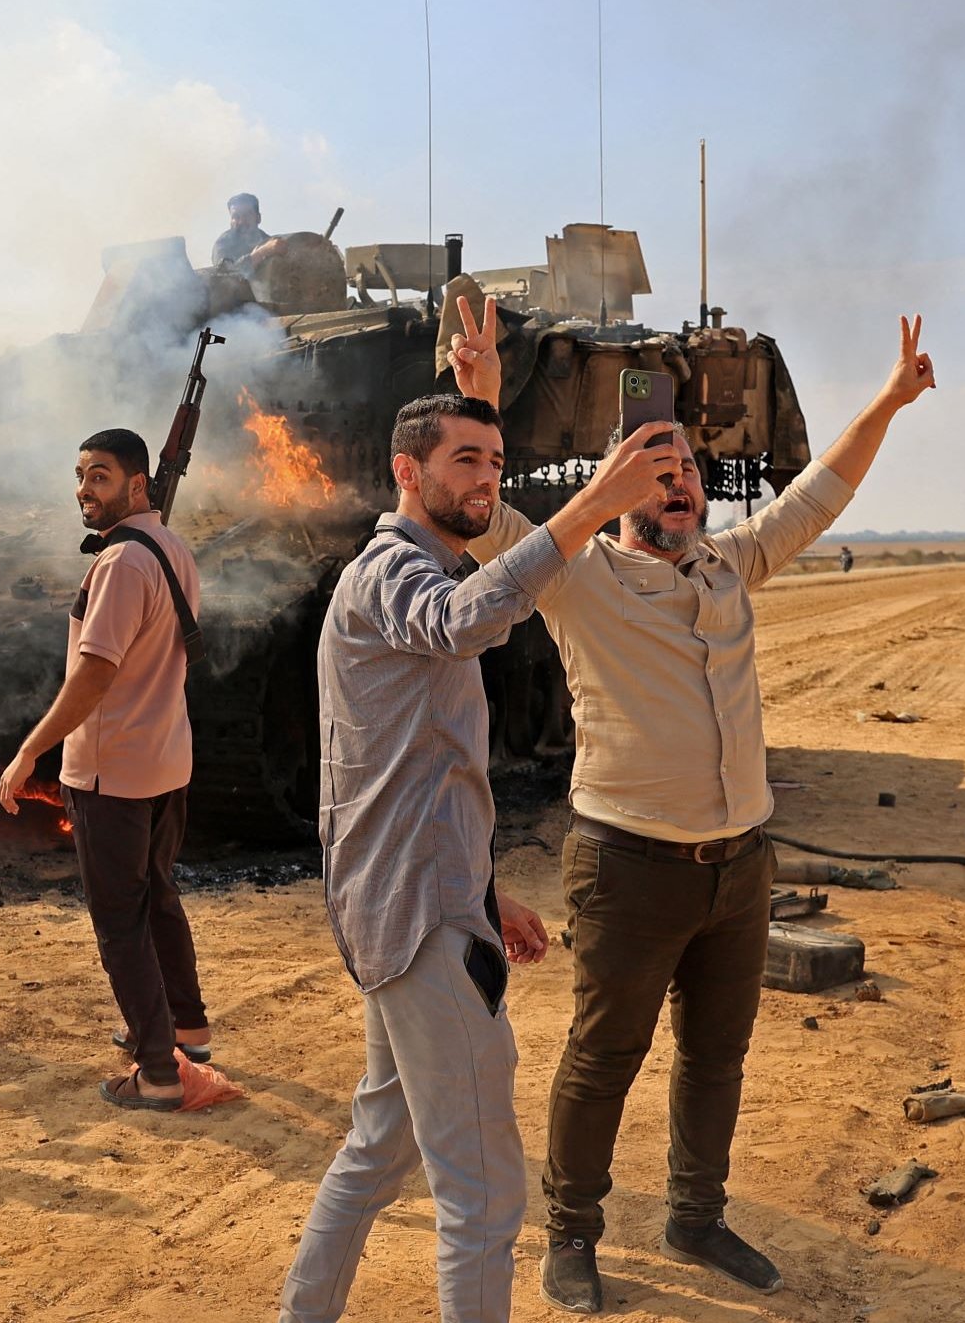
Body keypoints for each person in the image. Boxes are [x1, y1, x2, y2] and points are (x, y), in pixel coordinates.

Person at [456, 307, 939, 1307]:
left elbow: (823, 492)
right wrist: (480, 397)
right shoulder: (577, 578)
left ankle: (695, 1216)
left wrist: (887, 401)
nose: (678, 479)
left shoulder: (731, 564)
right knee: (602, 1056)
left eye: (684, 466)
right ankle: (573, 1231)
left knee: (716, 1055)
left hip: (738, 865)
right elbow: (491, 517)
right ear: (615, 485)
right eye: (652, 464)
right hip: (628, 866)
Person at [276, 388, 670, 1323]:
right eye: (466, 461)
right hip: (417, 920)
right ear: (407, 471)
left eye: (496, 463)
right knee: (484, 1197)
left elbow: (420, 773)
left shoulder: (423, 567)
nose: (487, 480)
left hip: (421, 901)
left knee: (378, 1149)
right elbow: (460, 621)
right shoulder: (386, 574)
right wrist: (590, 509)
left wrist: (484, 894)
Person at [0, 428, 207, 1110]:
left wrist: (32, 749)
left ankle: (157, 1073)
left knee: (120, 923)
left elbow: (95, 673)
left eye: (101, 476)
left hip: (113, 771)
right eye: (82, 476)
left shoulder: (121, 562)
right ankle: (189, 1030)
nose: (85, 490)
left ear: (139, 484)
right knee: (159, 898)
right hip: (166, 760)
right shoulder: (172, 549)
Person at [212, 192, 283, 271]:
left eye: (247, 215)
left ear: (258, 218)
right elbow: (225, 274)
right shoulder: (223, 243)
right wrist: (261, 253)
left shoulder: (268, 241)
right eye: (236, 216)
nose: (241, 221)